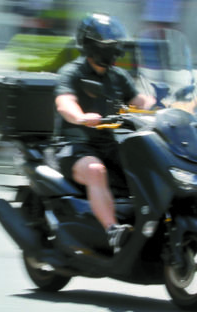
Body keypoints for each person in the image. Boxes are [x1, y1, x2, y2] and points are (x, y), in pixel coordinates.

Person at [54, 13, 155, 252]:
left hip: (109, 144)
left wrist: (158, 105)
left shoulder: (116, 76)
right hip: (75, 145)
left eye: (115, 45)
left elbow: (139, 100)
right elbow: (64, 102)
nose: (114, 50)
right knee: (96, 170)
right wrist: (80, 116)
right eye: (108, 45)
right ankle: (112, 231)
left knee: (147, 163)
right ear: (91, 45)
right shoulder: (72, 72)